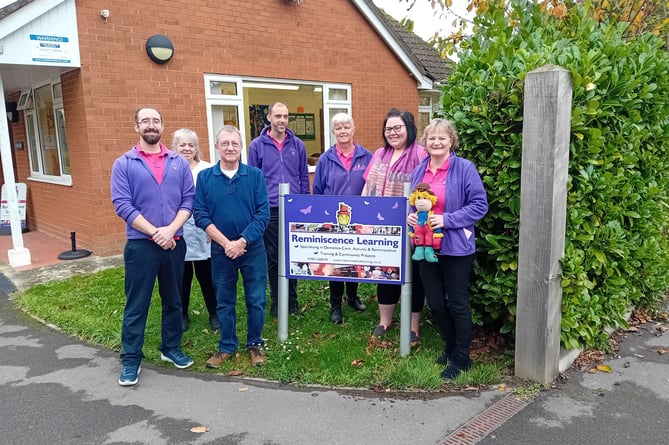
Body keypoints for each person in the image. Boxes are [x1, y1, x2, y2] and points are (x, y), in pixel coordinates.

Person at [111, 107, 195, 386]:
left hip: (174, 243)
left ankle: (171, 348)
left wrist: (170, 230)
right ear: (136, 127)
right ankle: (131, 358)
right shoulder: (124, 163)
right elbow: (122, 205)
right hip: (140, 246)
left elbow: (188, 200)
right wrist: (155, 233)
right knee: (137, 304)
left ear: (162, 126)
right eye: (145, 121)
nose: (151, 125)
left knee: (174, 300)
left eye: (156, 121)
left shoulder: (178, 163)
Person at [408, 118, 488, 379]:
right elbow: (413, 203)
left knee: (457, 303)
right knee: (435, 302)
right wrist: (410, 216)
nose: (436, 142)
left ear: (451, 141)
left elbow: (479, 206)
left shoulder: (464, 168)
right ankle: (450, 346)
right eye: (432, 138)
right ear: (425, 143)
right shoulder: (420, 170)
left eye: (442, 137)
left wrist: (447, 220)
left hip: (456, 247)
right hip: (425, 246)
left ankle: (462, 358)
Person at [193, 125, 270, 369]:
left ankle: (255, 344)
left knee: (256, 299)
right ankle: (227, 345)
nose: (230, 148)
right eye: (224, 143)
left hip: (252, 249)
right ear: (216, 147)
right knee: (224, 300)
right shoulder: (205, 178)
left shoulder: (255, 176)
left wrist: (242, 241)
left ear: (241, 148)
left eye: (234, 144)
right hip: (221, 251)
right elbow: (200, 214)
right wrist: (226, 244)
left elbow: (263, 214)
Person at [361, 108, 427, 345]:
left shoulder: (420, 154)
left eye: (397, 128)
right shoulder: (379, 154)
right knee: (384, 273)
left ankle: (413, 325)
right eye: (388, 129)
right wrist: (364, 215)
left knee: (414, 275)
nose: (392, 133)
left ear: (408, 128)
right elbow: (368, 187)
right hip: (382, 227)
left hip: (411, 227)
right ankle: (385, 320)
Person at [248, 102, 309, 317]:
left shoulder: (298, 144)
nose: (282, 120)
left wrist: (304, 204)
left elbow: (303, 176)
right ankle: (277, 300)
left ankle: (292, 300)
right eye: (278, 116)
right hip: (270, 209)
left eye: (285, 116)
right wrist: (258, 205)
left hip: (294, 208)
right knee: (273, 257)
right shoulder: (257, 145)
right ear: (269, 118)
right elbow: (254, 179)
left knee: (293, 255)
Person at [313, 112, 372, 324]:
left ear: (353, 129)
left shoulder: (367, 157)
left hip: (359, 217)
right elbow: (318, 190)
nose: (343, 130)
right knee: (336, 261)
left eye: (346, 126)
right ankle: (335, 304)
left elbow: (373, 187)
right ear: (333, 132)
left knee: (354, 259)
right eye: (338, 128)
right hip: (333, 218)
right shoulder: (325, 159)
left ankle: (353, 297)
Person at [172, 129, 219, 332]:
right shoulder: (169, 169)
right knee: (181, 278)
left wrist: (213, 229)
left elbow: (216, 201)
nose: (187, 148)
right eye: (182, 144)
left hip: (203, 232)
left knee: (207, 276)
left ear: (196, 148)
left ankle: (214, 313)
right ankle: (181, 314)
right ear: (174, 147)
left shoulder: (207, 170)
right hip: (178, 231)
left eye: (191, 145)